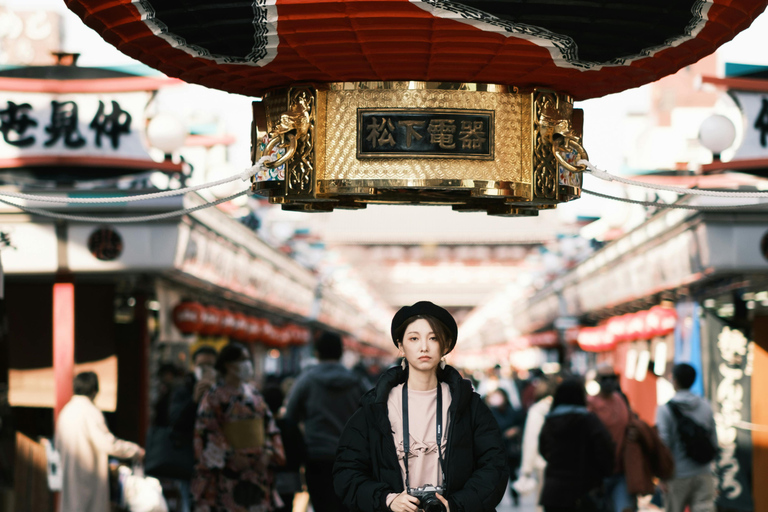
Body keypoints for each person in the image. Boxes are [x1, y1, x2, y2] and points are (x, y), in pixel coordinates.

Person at [333, 301, 509, 512]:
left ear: (445, 345)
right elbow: (347, 471)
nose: (423, 347)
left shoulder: (468, 405)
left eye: (433, 338)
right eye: (414, 338)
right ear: (400, 346)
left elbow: (494, 465)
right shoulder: (376, 408)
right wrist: (388, 499)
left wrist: (456, 504)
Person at [192, 343, 285, 512]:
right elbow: (207, 430)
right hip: (229, 470)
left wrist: (268, 452)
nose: (247, 364)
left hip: (258, 466)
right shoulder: (214, 396)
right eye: (243, 360)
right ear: (228, 364)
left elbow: (269, 426)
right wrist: (229, 454)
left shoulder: (255, 394)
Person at [284, 331, 367, 512]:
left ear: (318, 353)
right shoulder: (357, 382)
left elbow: (289, 418)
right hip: (352, 459)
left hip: (317, 456)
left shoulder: (306, 380)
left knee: (322, 506)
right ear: (341, 352)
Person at [55, 371, 144, 512]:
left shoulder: (65, 412)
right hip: (89, 481)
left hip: (70, 478)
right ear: (94, 390)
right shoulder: (90, 412)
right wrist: (134, 451)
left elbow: (57, 445)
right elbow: (108, 444)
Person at [539, 377, 614, 512]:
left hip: (553, 492)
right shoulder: (589, 420)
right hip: (582, 490)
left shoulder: (550, 421)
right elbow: (605, 447)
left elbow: (543, 449)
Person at [656, 363, 717, 512]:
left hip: (677, 475)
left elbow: (663, 443)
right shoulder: (705, 405)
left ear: (674, 380)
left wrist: (662, 475)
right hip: (703, 472)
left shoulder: (665, 410)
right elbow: (714, 439)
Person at [165, 345, 218, 512]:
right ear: (194, 366)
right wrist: (194, 401)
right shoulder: (184, 390)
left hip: (219, 463)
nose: (206, 370)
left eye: (210, 365)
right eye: (201, 366)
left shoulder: (225, 391)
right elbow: (175, 422)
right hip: (190, 462)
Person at [587, 366, 634, 512]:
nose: (609, 382)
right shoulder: (591, 404)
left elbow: (631, 424)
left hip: (621, 471)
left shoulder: (620, 400)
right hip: (598, 474)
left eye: (612, 378)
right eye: (605, 379)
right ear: (598, 381)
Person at [514, 374, 555, 512]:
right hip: (562, 462)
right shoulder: (560, 408)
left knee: (542, 501)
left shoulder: (537, 410)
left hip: (541, 463)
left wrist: (526, 469)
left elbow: (531, 440)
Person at [263, 383, 307, 512]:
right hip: (289, 480)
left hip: (268, 478)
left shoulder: (262, 427)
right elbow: (301, 452)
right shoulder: (290, 426)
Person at [486, 388, 525, 506]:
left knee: (512, 474)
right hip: (497, 449)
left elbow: (521, 424)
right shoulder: (490, 412)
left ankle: (515, 496)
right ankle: (497, 498)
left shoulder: (513, 411)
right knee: (497, 476)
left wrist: (516, 430)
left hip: (511, 449)